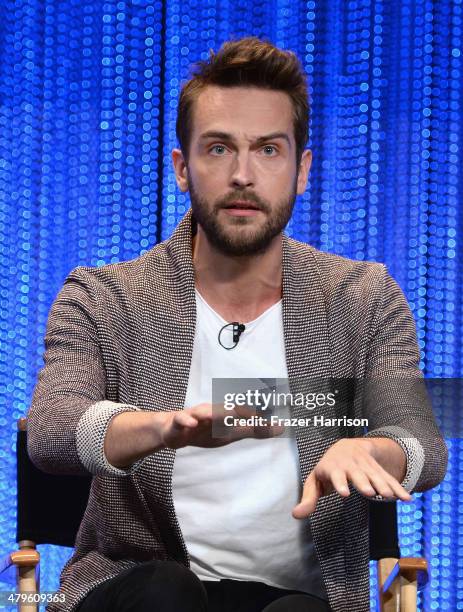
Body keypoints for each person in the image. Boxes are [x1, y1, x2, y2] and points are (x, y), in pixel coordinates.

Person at [27, 36, 448, 612]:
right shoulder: (103, 297)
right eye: (219, 148)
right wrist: (165, 430)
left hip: (300, 596)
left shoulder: (362, 297)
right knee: (164, 594)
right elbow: (53, 432)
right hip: (144, 586)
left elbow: (423, 446)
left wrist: (371, 449)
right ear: (182, 167)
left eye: (268, 150)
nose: (243, 175)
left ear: (302, 171)